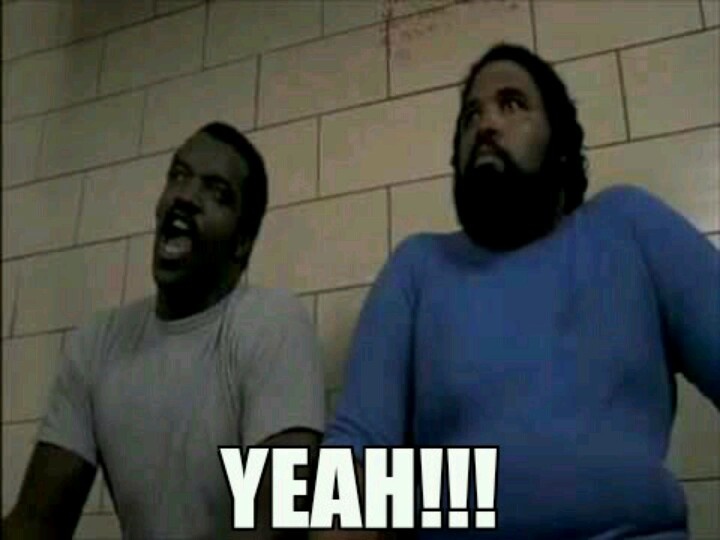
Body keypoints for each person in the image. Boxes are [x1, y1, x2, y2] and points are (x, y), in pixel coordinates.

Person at [319, 43, 720, 539]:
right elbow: (354, 461)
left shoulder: (629, 227)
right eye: (471, 116)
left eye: (512, 104)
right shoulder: (416, 268)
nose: (486, 124)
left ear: (561, 145)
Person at [3, 122, 326, 539]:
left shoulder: (273, 323)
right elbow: (35, 523)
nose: (185, 196)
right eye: (178, 176)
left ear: (242, 242)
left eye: (216, 192)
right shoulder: (97, 344)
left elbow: (278, 521)